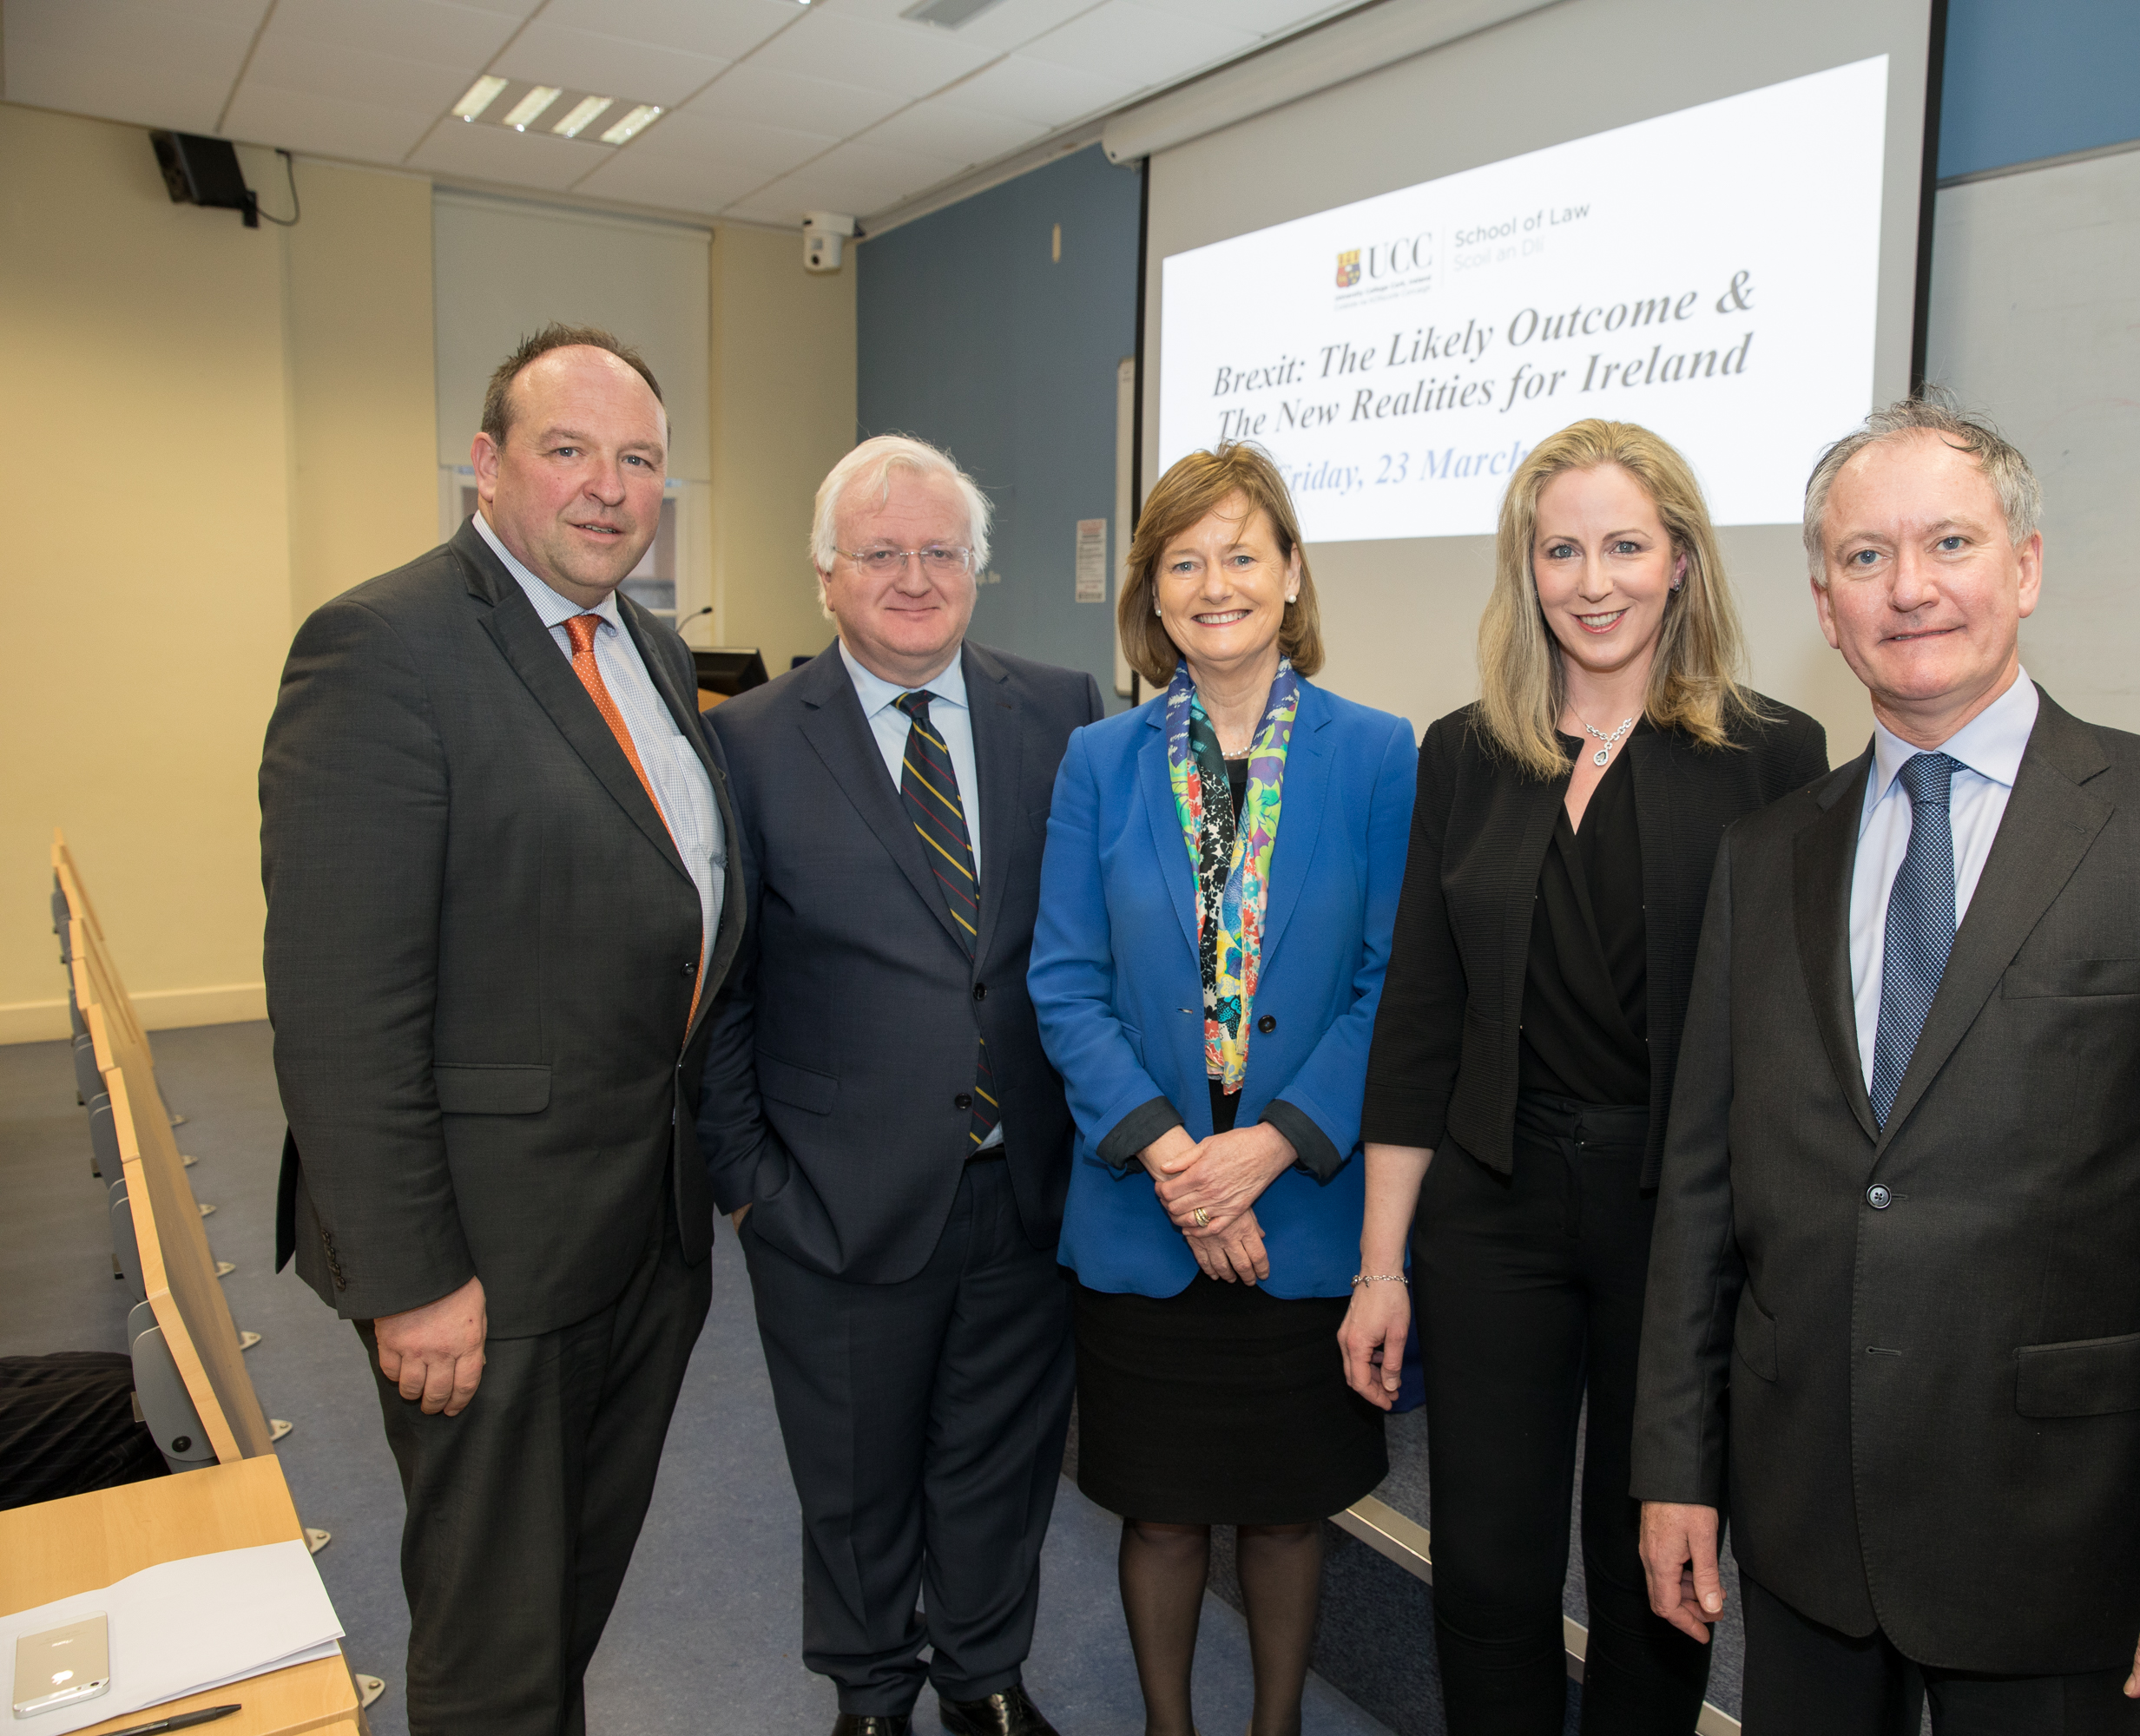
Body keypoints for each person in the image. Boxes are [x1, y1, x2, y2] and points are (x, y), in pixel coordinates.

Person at [1635, 398, 2140, 1736]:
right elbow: (1704, 1188)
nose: (1911, 589)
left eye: (1949, 540)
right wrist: (1675, 1462)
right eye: (1865, 557)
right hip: (1805, 1522)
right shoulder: (1765, 855)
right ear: (1826, 605)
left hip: (2064, 1530)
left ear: (2026, 566)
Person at [262, 324, 742, 1735]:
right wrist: (411, 1278)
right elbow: (343, 1003)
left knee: (566, 1600)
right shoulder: (382, 645)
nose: (609, 487)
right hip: (483, 1262)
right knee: (491, 1635)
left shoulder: (649, 646)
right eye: (570, 450)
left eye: (640, 458)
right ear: (487, 463)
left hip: (640, 1226)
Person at [1340, 419, 1828, 1733]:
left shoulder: (1770, 754)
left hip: (1678, 1222)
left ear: (1681, 561)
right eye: (1564, 549)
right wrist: (1381, 1267)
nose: (1594, 579)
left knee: (1650, 1566)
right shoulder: (1467, 750)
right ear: (1527, 567)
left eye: (1626, 544)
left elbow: (1796, 1039)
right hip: (1490, 1207)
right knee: (1488, 1564)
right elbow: (1420, 1025)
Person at [696, 435, 1103, 1736]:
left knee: (1000, 1462)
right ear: (826, 574)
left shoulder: (1060, 707)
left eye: (942, 552)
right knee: (855, 1477)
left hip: (1024, 1185)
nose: (915, 577)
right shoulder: (749, 742)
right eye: (883, 553)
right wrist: (752, 1185)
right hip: (829, 1197)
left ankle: (984, 1676)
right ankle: (870, 1692)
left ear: (978, 570)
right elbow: (717, 987)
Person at [1030, 443, 1414, 1736]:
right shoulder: (1102, 759)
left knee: (1291, 1508)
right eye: (1183, 560)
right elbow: (1065, 984)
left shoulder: (1377, 755)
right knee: (1161, 1508)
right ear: (1152, 592)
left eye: (1243, 553)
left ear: (1292, 573)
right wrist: (1179, 1161)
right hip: (1148, 1208)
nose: (1215, 582)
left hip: (1302, 1208)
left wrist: (1267, 1150)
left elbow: (1392, 984)